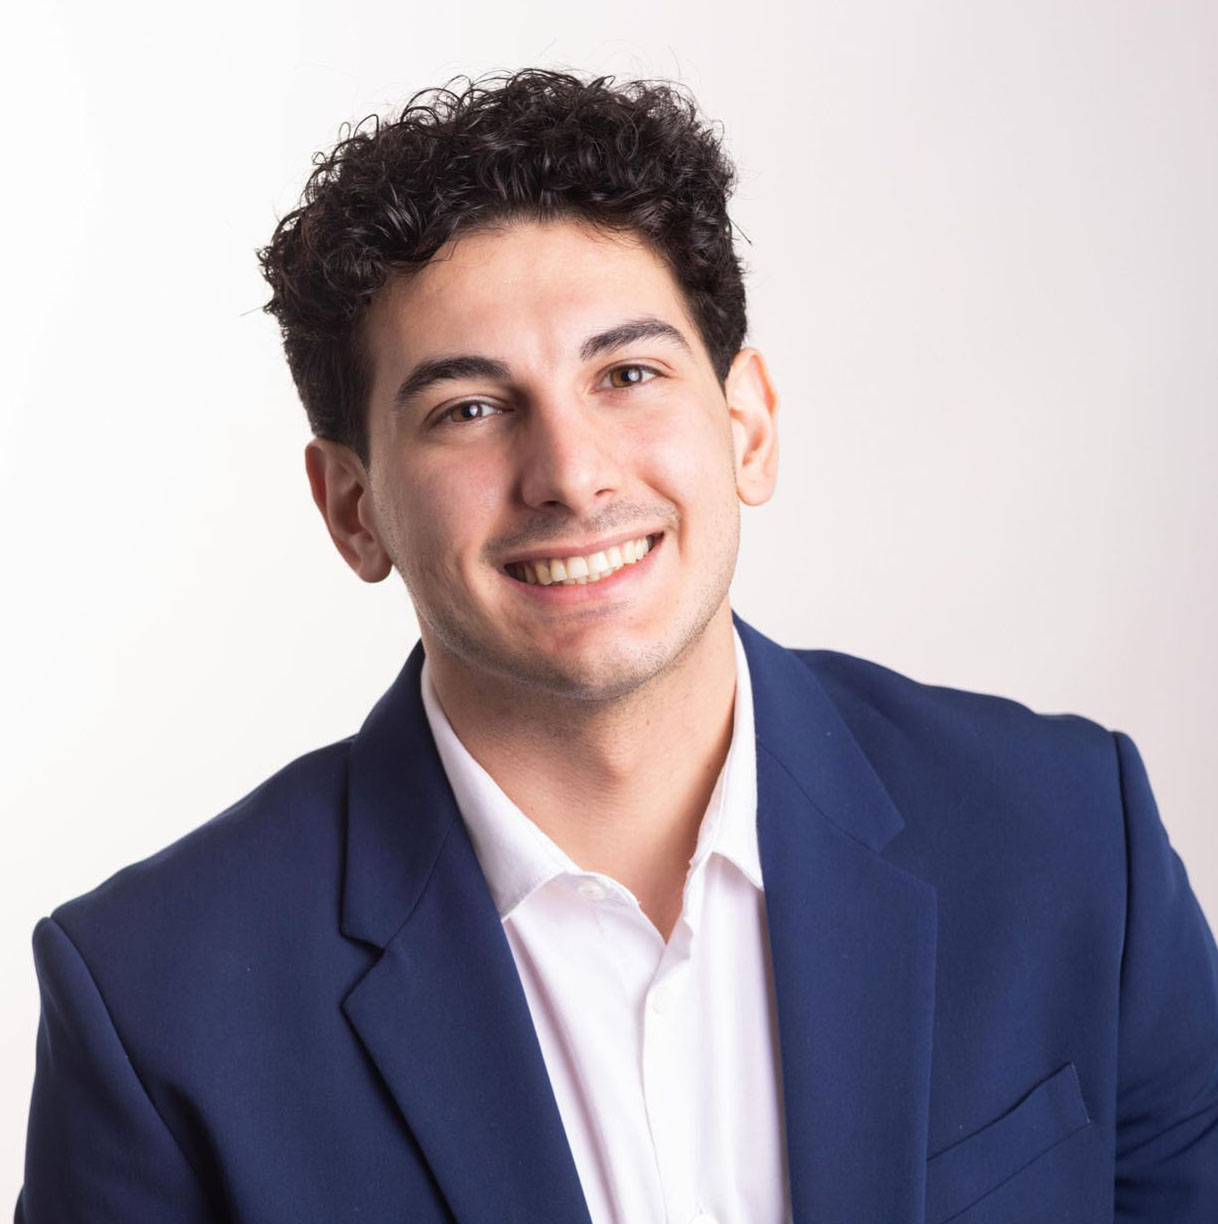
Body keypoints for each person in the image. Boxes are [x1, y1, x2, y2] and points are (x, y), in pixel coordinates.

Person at [16, 69, 1218, 1224]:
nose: (572, 474)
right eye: (468, 409)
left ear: (747, 428)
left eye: (629, 373)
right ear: (352, 509)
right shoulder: (157, 1004)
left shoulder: (1068, 835)